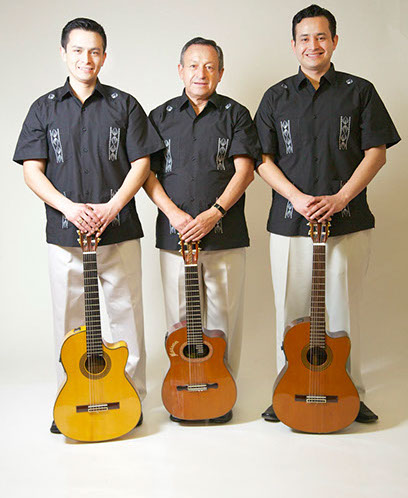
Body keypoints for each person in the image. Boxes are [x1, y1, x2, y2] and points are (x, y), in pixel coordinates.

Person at [13, 18, 163, 432]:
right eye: (78, 50)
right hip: (65, 233)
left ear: (104, 56)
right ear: (64, 53)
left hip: (119, 228)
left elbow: (142, 163)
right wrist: (69, 209)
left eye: (94, 51)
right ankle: (70, 398)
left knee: (126, 315)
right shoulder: (43, 108)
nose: (86, 59)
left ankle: (131, 400)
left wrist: (112, 208)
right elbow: (31, 169)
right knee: (68, 320)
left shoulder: (124, 105)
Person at [255, 4, 400, 424]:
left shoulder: (360, 91)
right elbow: (262, 159)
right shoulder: (276, 96)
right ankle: (285, 389)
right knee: (290, 311)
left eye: (321, 36)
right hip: (289, 222)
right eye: (304, 38)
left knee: (344, 311)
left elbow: (376, 153)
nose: (313, 45)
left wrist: (341, 198)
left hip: (348, 221)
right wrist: (297, 198)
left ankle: (351, 393)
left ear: (334, 41)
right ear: (294, 45)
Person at [144, 37, 260, 423]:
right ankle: (183, 390)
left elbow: (245, 170)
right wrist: (175, 215)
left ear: (221, 73)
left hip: (225, 232)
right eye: (193, 65)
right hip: (174, 234)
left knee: (224, 319)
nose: (201, 73)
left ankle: (221, 394)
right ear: (180, 71)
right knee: (180, 320)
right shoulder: (159, 117)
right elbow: (146, 174)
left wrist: (215, 213)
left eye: (210, 66)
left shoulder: (236, 114)